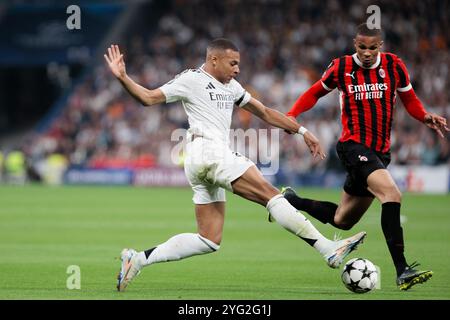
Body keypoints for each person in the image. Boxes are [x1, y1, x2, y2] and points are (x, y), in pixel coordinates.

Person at [104, 38, 367, 292]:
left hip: (200, 159)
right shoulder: (191, 79)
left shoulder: (231, 86)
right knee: (273, 196)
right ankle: (328, 249)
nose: (237, 69)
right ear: (214, 60)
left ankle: (137, 260)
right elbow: (148, 98)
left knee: (208, 239)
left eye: (238, 64)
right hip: (209, 151)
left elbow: (264, 112)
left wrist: (302, 131)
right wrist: (123, 78)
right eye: (233, 63)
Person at [282, 23, 449, 290]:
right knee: (392, 195)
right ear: (354, 44)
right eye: (362, 47)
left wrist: (424, 115)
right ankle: (402, 269)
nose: (367, 53)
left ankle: (292, 200)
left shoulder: (394, 66)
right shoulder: (341, 67)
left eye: (372, 47)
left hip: (381, 153)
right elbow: (315, 92)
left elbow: (410, 100)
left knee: (342, 220)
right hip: (353, 147)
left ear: (380, 46)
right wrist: (291, 114)